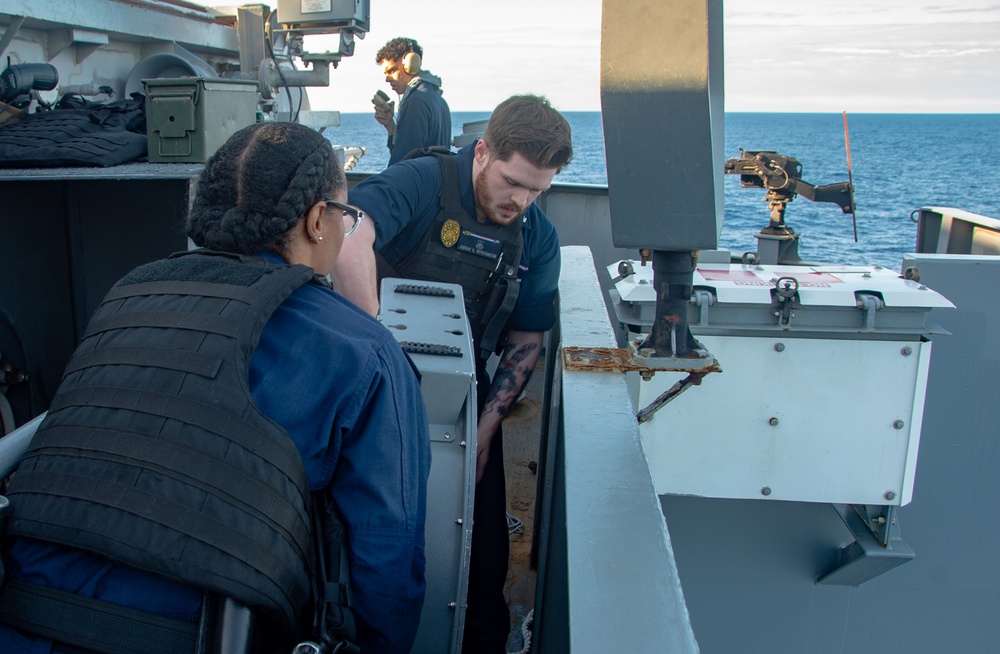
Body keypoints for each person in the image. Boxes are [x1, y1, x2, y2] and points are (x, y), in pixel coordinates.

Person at [0, 122, 431, 654]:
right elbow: (386, 554)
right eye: (346, 216)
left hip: (24, 620)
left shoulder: (128, 296)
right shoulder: (363, 350)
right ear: (319, 220)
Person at [332, 94, 572, 653]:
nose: (523, 200)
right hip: (367, 369)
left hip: (465, 391)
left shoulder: (536, 236)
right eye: (513, 182)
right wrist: (383, 360)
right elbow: (347, 239)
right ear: (483, 151)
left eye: (539, 190)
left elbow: (526, 338)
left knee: (483, 554)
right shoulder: (422, 181)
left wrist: (487, 427)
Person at [373, 37, 452, 167]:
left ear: (411, 65)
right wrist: (390, 127)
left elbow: (403, 166)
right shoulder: (440, 101)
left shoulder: (416, 101)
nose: (387, 79)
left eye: (392, 70)